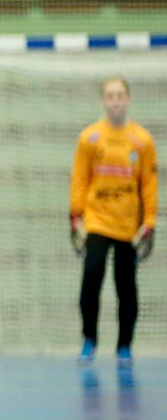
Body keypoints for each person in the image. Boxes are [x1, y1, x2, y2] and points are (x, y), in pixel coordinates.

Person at [70, 77, 156, 368]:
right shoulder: (90, 138)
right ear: (103, 100)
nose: (115, 100)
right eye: (110, 95)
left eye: (120, 94)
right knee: (91, 279)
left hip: (128, 225)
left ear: (128, 99)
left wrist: (150, 220)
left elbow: (149, 183)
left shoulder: (142, 140)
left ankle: (124, 347)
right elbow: (80, 178)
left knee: (126, 286)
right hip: (96, 221)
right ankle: (89, 339)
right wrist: (75, 213)